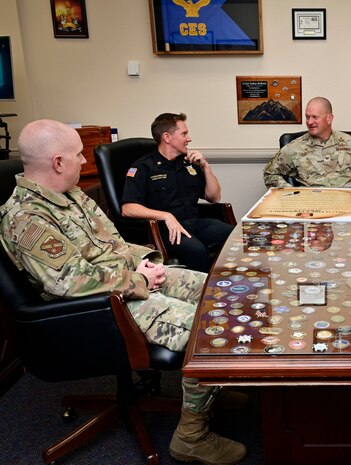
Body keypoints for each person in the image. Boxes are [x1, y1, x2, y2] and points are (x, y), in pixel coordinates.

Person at [0, 119, 246, 465]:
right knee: (208, 329)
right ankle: (191, 436)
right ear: (57, 162)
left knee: (220, 290)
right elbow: (69, 282)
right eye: (76, 155)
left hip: (122, 283)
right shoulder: (26, 218)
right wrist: (138, 281)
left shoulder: (69, 195)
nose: (84, 162)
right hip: (94, 309)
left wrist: (147, 263)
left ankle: (210, 385)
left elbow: (113, 243)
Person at [121, 113, 233, 272]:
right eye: (184, 134)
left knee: (235, 236)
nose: (189, 138)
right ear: (167, 137)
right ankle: (201, 294)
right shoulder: (143, 167)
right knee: (197, 251)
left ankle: (232, 286)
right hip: (166, 230)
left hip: (194, 222)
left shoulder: (189, 163)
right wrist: (166, 216)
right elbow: (128, 209)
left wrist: (206, 167)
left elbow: (214, 197)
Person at [263, 96, 351, 188]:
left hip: (348, 206)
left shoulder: (349, 141)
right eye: (307, 117)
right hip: (312, 210)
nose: (309, 122)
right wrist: (289, 192)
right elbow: (270, 173)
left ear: (329, 118)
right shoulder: (294, 147)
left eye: (315, 117)